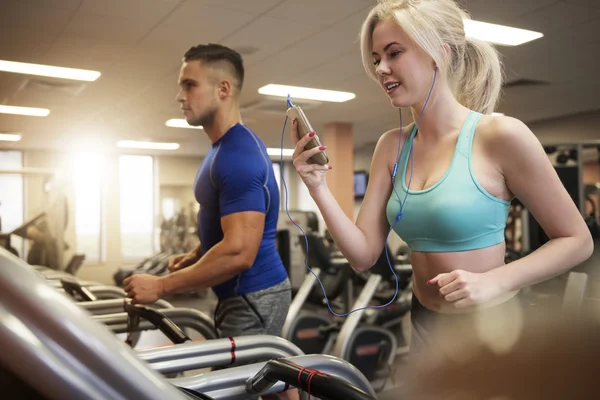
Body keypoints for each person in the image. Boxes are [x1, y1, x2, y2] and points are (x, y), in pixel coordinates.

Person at [290, 0, 594, 367]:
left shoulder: (499, 135)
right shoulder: (392, 146)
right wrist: (317, 186)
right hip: (423, 323)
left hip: (491, 327)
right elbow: (363, 255)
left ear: (439, 53)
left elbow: (577, 241)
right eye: (375, 59)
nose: (381, 69)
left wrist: (495, 281)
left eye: (393, 53)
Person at [123, 45, 296, 398]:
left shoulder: (238, 155)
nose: (179, 96)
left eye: (189, 85)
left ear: (223, 89)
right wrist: (197, 252)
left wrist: (162, 286)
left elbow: (238, 253)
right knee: (273, 381)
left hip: (253, 295)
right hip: (246, 294)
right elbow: (227, 224)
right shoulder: (222, 149)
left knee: (232, 388)